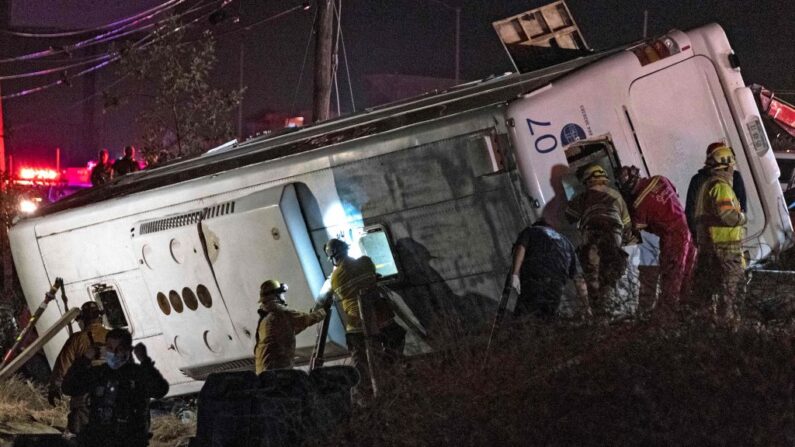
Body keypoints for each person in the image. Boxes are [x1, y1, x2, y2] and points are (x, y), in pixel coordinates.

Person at [324, 238, 405, 396]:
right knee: (397, 336)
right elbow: (371, 277)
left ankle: (365, 394)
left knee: (361, 363)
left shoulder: (335, 278)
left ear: (333, 258)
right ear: (347, 250)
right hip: (381, 319)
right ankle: (390, 370)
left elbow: (340, 292)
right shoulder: (366, 262)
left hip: (356, 326)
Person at [62, 328, 168, 447]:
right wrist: (84, 359)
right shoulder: (99, 374)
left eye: (120, 349)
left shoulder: (137, 374)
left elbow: (160, 390)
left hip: (129, 441)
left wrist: (145, 362)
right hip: (99, 440)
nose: (114, 353)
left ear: (128, 350)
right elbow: (68, 387)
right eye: (110, 348)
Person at [617, 166, 696, 312]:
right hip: (688, 227)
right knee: (688, 273)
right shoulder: (660, 179)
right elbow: (675, 194)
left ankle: (668, 318)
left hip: (673, 237)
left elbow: (637, 229)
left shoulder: (639, 205)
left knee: (672, 278)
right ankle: (689, 311)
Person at [565, 163, 632, 316]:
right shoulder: (616, 195)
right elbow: (627, 225)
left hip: (592, 233)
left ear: (587, 180)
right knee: (609, 274)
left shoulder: (583, 196)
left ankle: (597, 313)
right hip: (613, 234)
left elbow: (569, 216)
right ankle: (610, 311)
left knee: (592, 274)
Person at [690, 145, 747, 323]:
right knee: (730, 292)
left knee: (706, 291)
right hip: (725, 250)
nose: (732, 170)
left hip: (710, 247)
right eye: (731, 166)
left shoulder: (706, 185)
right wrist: (742, 218)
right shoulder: (721, 187)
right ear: (726, 165)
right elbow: (728, 216)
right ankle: (727, 330)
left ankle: (706, 328)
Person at [48, 302, 109, 437]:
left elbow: (63, 366)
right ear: (100, 318)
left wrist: (54, 388)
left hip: (84, 403)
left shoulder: (77, 339)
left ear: (83, 320)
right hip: (114, 402)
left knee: (78, 437)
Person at [509, 220, 590, 319]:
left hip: (535, 281)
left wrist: (515, 273)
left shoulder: (531, 230)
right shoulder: (567, 243)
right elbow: (579, 280)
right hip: (555, 289)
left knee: (522, 319)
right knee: (543, 325)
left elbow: (521, 247)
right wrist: (587, 306)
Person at [254, 279, 328, 374]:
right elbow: (306, 319)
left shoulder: (266, 318)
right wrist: (324, 310)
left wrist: (310, 316)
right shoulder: (279, 311)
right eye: (282, 293)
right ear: (276, 295)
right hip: (278, 370)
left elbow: (291, 330)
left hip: (265, 372)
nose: (283, 296)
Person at [685, 142, 747, 237]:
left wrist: (697, 236)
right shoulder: (734, 178)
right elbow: (742, 209)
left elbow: (690, 212)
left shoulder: (697, 180)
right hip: (728, 239)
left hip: (706, 239)